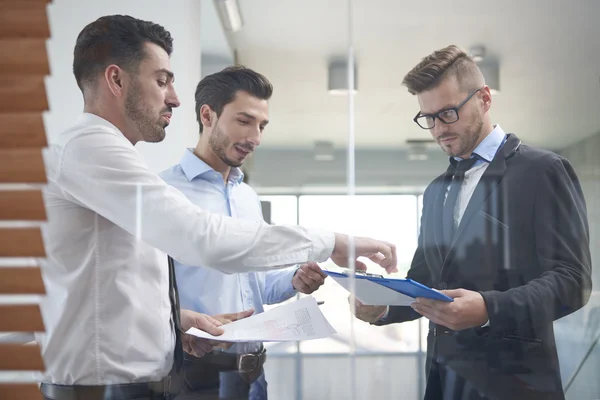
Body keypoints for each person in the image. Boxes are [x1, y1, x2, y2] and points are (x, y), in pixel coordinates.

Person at [38, 15, 397, 400]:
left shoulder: (116, 161)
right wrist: (334, 242)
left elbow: (123, 286)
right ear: (116, 80)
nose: (174, 97)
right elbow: (203, 238)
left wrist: (177, 322)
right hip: (115, 389)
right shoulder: (89, 150)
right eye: (162, 81)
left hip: (156, 380)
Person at [353, 45, 592, 400]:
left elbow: (573, 282)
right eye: (428, 118)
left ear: (484, 99)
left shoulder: (543, 170)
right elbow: (427, 281)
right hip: (444, 382)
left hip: (516, 385)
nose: (438, 129)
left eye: (448, 113)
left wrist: (488, 309)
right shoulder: (436, 191)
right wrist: (382, 306)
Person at [159, 66, 327, 400]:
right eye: (244, 121)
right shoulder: (163, 192)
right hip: (194, 375)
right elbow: (143, 292)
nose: (256, 138)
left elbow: (256, 285)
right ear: (208, 115)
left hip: (252, 374)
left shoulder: (246, 196)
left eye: (261, 125)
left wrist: (293, 279)